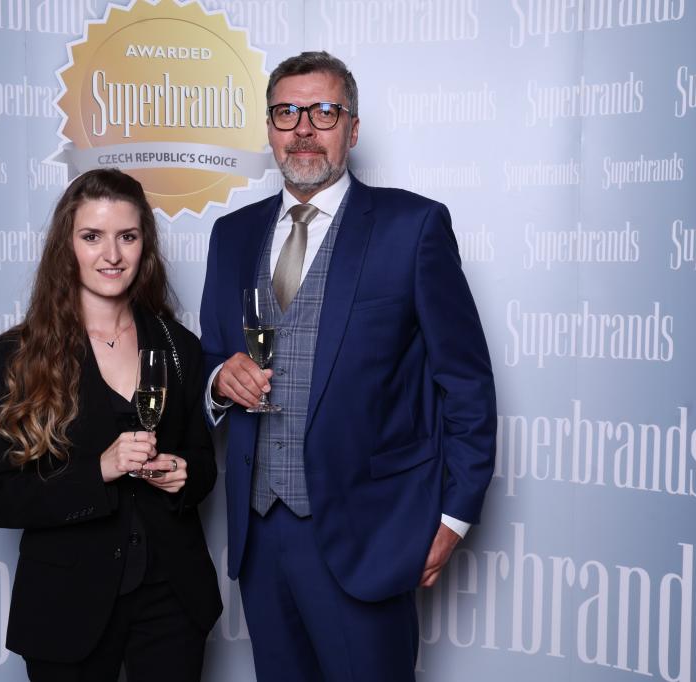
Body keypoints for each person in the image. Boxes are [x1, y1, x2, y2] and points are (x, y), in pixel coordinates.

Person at [199, 51, 497, 681]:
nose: (304, 128)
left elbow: (465, 383)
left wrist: (454, 517)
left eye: (324, 111)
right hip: (260, 535)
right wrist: (218, 381)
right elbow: (210, 354)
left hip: (371, 534)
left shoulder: (412, 226)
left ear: (352, 128)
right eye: (287, 112)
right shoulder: (231, 235)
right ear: (270, 128)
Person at [0, 169, 221, 681]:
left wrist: (183, 475)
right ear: (67, 246)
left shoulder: (178, 345)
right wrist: (99, 470)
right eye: (92, 236)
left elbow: (202, 464)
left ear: (144, 246)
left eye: (127, 236)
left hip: (172, 600)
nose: (112, 255)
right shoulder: (17, 355)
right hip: (67, 605)